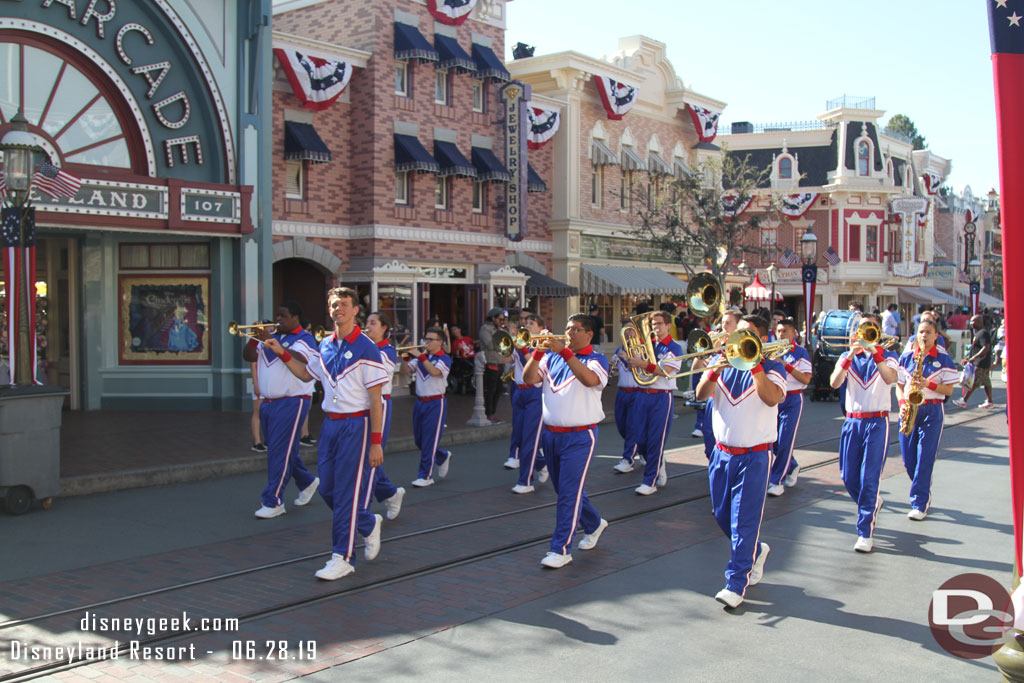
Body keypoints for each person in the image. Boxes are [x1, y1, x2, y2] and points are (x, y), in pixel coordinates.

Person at [264, 288, 387, 581]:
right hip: (331, 425)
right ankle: (367, 522)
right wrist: (281, 353)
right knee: (328, 489)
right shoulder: (326, 345)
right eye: (334, 305)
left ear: (355, 310)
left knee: (345, 493)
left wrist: (376, 442)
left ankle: (342, 557)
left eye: (344, 305)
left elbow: (375, 399)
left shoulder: (367, 347)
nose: (338, 310)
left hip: (356, 425)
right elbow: (307, 375)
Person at [695, 314, 786, 609]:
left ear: (759, 337)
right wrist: (714, 367)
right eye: (736, 332)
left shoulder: (773, 368)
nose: (734, 337)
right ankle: (756, 551)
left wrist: (755, 364)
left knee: (743, 521)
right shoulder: (722, 365)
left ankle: (736, 583)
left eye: (744, 334)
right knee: (722, 516)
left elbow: (771, 398)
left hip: (754, 456)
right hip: (721, 455)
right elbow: (700, 394)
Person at [523, 314, 610, 569]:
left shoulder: (597, 359)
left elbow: (590, 380)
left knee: (568, 494)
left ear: (589, 335)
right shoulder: (550, 358)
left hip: (581, 436)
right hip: (551, 435)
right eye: (567, 328)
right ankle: (594, 523)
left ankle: (560, 549)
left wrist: (564, 352)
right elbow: (528, 379)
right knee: (564, 491)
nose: (569, 333)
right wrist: (538, 353)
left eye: (575, 329)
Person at [829, 311, 900, 554]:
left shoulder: (889, 356)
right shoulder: (847, 356)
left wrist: (876, 352)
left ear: (878, 332)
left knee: (869, 478)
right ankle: (871, 503)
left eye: (871, 328)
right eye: (862, 328)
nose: (866, 331)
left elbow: (889, 378)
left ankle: (865, 532)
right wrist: (850, 354)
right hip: (852, 422)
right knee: (848, 477)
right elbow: (834, 383)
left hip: (877, 423)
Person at [243, 302, 320, 519]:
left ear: (296, 317)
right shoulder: (270, 336)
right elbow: (249, 356)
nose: (279, 319)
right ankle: (306, 480)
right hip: (268, 402)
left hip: (292, 401)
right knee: (284, 450)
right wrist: (254, 338)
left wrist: (273, 341)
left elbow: (302, 360)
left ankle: (273, 500)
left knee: (278, 451)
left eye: (283, 316)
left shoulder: (304, 338)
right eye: (277, 315)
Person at [896, 319, 958, 521]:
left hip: (932, 410)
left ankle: (919, 502)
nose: (923, 336)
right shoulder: (906, 357)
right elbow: (898, 385)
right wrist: (903, 403)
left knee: (925, 457)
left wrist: (928, 384)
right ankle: (922, 488)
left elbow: (948, 390)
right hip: (910, 409)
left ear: (935, 336)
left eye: (928, 332)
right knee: (908, 460)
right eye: (920, 332)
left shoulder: (944, 359)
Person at [625, 311, 682, 495]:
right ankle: (658, 463)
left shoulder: (674, 348)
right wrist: (630, 357)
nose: (655, 328)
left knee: (655, 440)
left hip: (661, 396)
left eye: (658, 324)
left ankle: (650, 482)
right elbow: (633, 365)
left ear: (667, 325)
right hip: (642, 394)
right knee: (638, 438)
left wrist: (642, 364)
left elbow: (665, 371)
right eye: (653, 324)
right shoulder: (649, 344)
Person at [362, 312, 406, 520]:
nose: (368, 326)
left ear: (384, 328)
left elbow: (377, 371)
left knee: (372, 455)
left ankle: (364, 507)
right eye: (367, 323)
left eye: (373, 323)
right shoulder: (364, 346)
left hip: (380, 402)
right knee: (363, 457)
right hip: (361, 403)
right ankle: (390, 492)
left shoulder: (387, 350)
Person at [400, 327, 453, 487]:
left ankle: (425, 476)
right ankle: (442, 456)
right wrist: (405, 357)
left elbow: (435, 372)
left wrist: (421, 357)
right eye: (426, 339)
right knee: (419, 440)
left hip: (436, 403)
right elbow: (404, 371)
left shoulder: (444, 358)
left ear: (440, 342)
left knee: (429, 441)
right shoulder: (422, 358)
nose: (426, 342)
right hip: (420, 402)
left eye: (430, 339)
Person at [504, 314, 550, 493]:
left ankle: (526, 482)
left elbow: (533, 365)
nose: (527, 325)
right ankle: (542, 463)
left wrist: (522, 349)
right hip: (519, 391)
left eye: (532, 323)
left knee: (530, 439)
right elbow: (504, 360)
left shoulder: (542, 345)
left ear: (540, 328)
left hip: (535, 393)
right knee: (520, 438)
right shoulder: (520, 343)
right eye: (526, 323)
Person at [767, 317, 812, 497]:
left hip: (792, 399)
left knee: (785, 440)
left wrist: (785, 364)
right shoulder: (771, 350)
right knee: (774, 441)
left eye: (785, 331)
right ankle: (792, 465)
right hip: (775, 399)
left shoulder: (801, 352)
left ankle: (776, 480)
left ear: (794, 333)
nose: (781, 334)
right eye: (778, 331)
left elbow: (806, 379)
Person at [698, 309, 743, 459]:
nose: (724, 327)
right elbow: (695, 368)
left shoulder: (743, 348)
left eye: (728, 323)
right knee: (709, 436)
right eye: (722, 322)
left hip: (733, 399)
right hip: (713, 398)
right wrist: (707, 350)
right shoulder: (718, 346)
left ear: (739, 326)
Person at [953, 314, 998, 409]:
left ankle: (964, 400)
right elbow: (975, 348)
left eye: (973, 321)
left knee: (973, 382)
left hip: (981, 362)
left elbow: (986, 347)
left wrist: (974, 358)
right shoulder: (978, 333)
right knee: (986, 382)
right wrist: (969, 357)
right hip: (981, 361)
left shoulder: (983, 333)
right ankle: (989, 401)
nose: (971, 323)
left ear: (979, 322)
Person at [612, 335, 642, 473]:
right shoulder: (619, 349)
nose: (629, 334)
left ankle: (627, 459)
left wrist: (625, 359)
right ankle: (643, 449)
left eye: (631, 330)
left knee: (632, 427)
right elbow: (614, 371)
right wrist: (613, 365)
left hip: (636, 393)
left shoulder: (642, 351)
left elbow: (637, 370)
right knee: (622, 426)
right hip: (622, 392)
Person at [478, 308, 510, 423]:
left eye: (504, 319)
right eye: (500, 319)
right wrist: (503, 340)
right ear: (493, 318)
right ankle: (488, 413)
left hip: (500, 362)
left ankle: (493, 413)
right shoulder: (485, 329)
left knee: (498, 390)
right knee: (490, 390)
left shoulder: (499, 329)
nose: (502, 321)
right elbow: (491, 345)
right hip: (491, 362)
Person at [249, 359, 265, 452]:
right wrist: (256, 384)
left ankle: (268, 440)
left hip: (270, 384)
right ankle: (256, 442)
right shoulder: (256, 346)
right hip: (260, 382)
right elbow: (253, 365)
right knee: (258, 412)